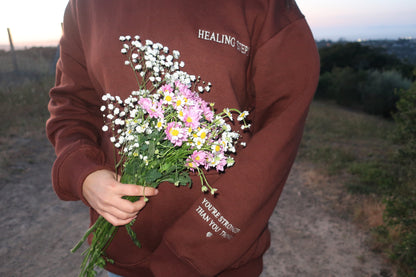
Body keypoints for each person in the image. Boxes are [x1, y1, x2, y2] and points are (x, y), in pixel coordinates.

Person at [46, 0, 320, 276]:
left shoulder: (265, 7)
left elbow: (280, 127)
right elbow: (72, 105)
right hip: (122, 258)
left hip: (217, 262)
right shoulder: (86, 6)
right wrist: (85, 174)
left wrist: (193, 251)